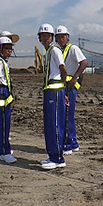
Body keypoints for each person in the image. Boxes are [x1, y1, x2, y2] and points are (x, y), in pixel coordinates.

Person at [37, 23, 67, 169]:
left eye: (47, 36)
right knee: (49, 124)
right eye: (42, 36)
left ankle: (57, 158)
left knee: (55, 124)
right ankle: (52, 156)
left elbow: (63, 69)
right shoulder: (47, 52)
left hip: (55, 91)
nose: (45, 38)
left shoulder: (55, 51)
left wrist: (63, 89)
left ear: (52, 37)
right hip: (50, 90)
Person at [54, 26, 87, 155]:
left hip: (70, 86)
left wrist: (75, 78)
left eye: (63, 36)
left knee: (67, 115)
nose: (61, 39)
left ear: (67, 37)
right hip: (63, 85)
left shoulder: (73, 49)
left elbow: (84, 62)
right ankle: (72, 142)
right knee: (66, 114)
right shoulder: (59, 50)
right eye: (58, 37)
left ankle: (69, 143)